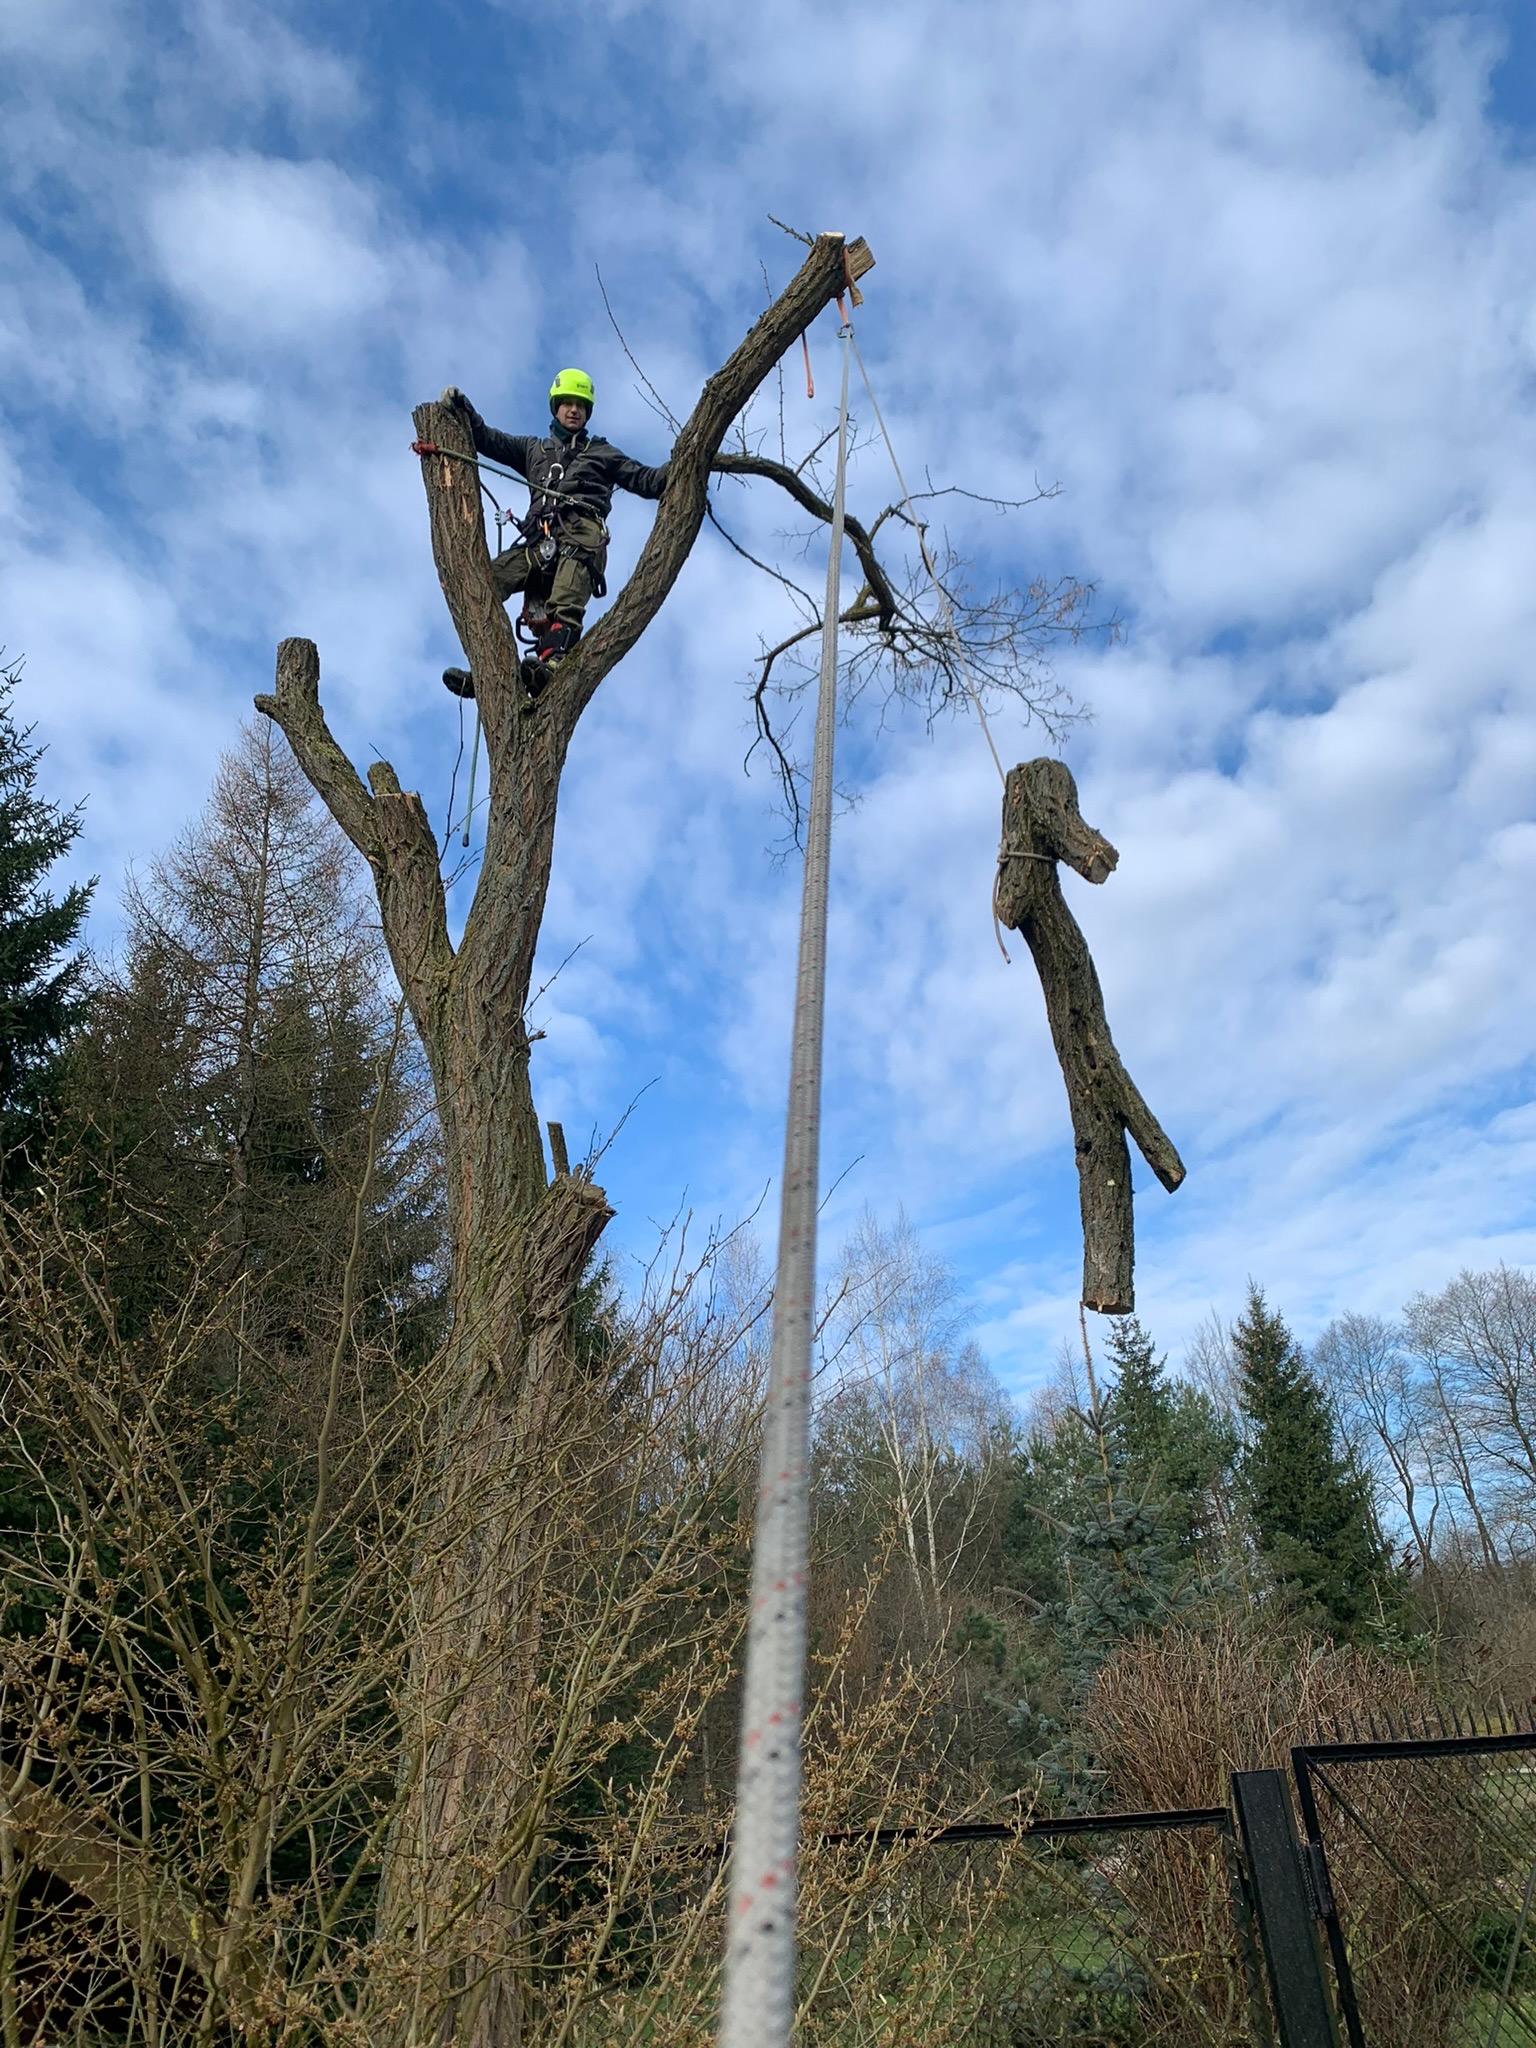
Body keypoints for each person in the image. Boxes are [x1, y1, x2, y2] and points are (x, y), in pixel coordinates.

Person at [438, 369, 670, 700]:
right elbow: (489, 439)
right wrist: (465, 411)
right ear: (556, 407)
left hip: (581, 534)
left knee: (565, 600)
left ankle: (554, 665)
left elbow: (646, 480)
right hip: (540, 542)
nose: (574, 410)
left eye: (581, 405)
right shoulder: (534, 449)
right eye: (567, 404)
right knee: (482, 581)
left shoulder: (602, 453)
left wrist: (685, 461)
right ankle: (490, 671)